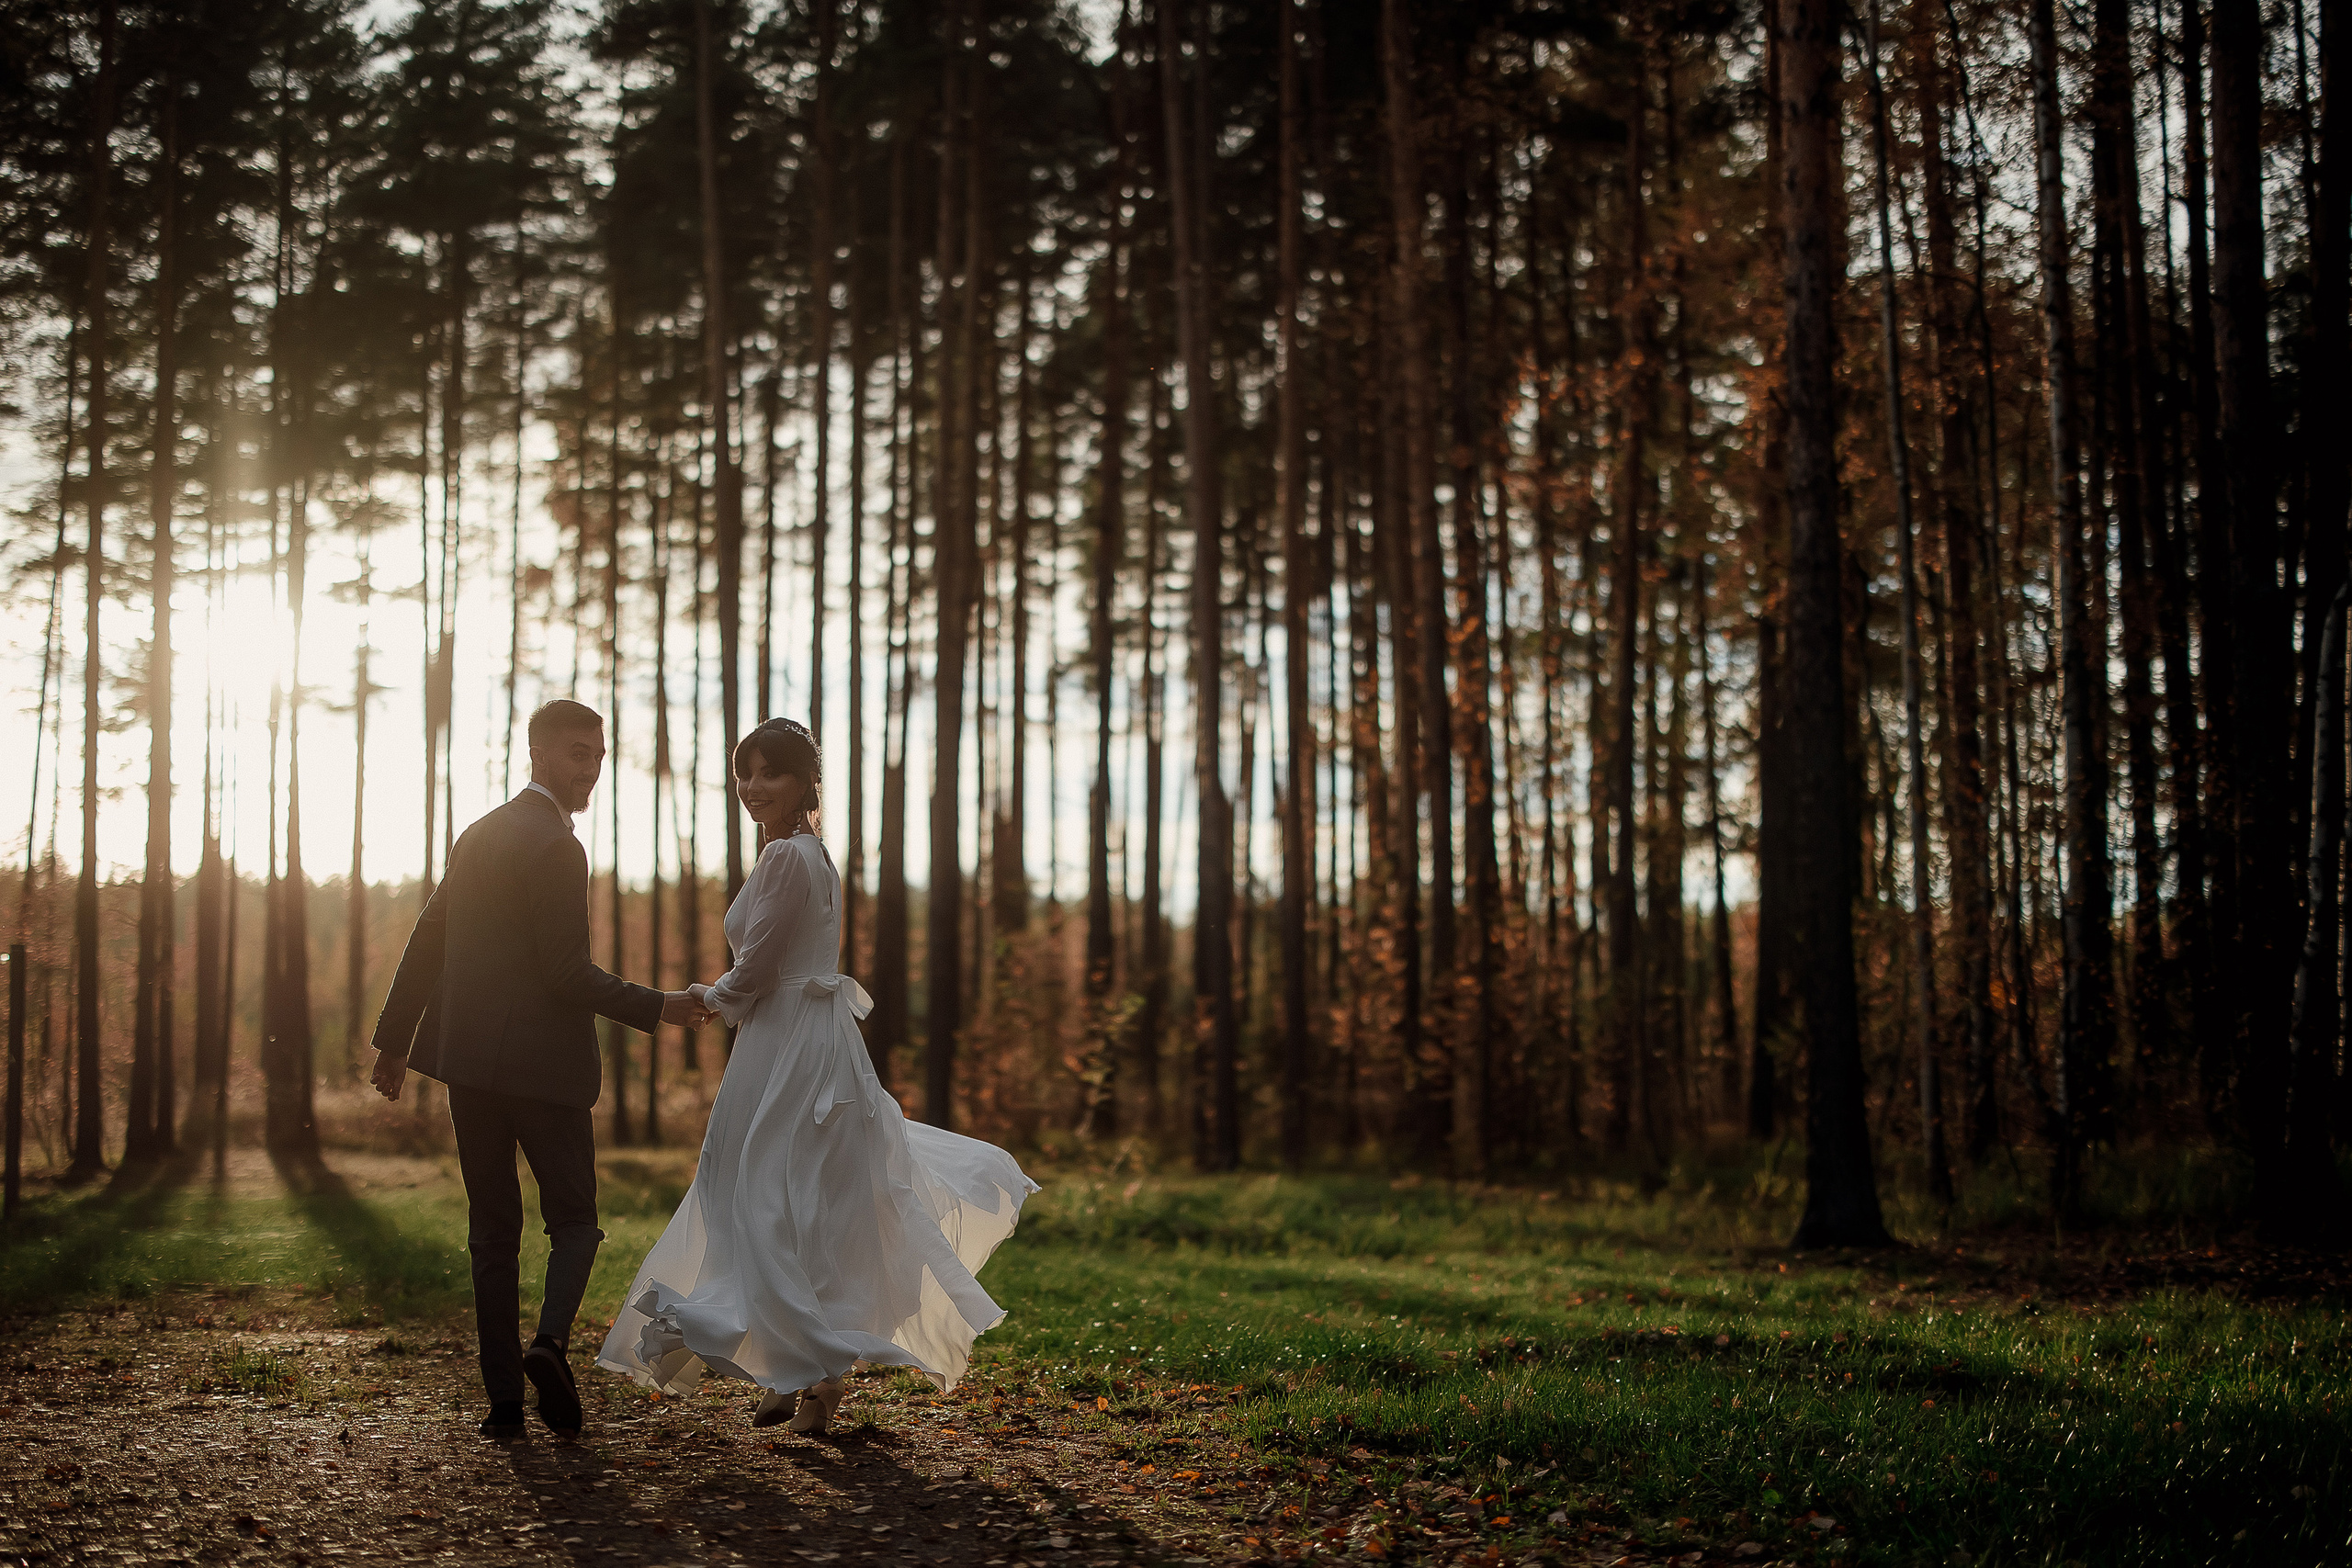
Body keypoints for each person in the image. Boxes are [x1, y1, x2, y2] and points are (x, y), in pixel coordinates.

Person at [598, 717, 1037, 1433]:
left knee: (761, 1193)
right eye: (744, 773)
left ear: (805, 781)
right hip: (813, 1036)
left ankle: (809, 1364)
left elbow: (760, 963)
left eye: (769, 773)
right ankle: (799, 1366)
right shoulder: (814, 854)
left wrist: (706, 1000)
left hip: (786, 1041)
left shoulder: (786, 859)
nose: (752, 787)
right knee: (805, 1197)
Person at [368, 699, 707, 1442]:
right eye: (578, 753)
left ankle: (502, 1409)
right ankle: (548, 1344)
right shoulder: (558, 846)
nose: (590, 767)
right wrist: (661, 1007)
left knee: (492, 1233)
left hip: (468, 1070)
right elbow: (563, 974)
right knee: (577, 1224)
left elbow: (429, 936)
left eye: (598, 754)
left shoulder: (479, 833)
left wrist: (396, 1042)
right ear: (539, 756)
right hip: (545, 1074)